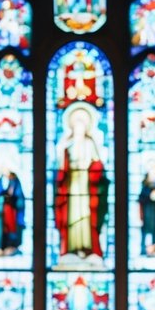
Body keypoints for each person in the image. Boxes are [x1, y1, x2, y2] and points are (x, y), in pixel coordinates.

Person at [53, 105, 108, 260]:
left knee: (86, 216)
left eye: (81, 125)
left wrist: (92, 171)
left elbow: (98, 165)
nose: (79, 129)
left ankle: (87, 247)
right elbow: (61, 168)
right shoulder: (66, 144)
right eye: (76, 126)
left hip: (86, 185)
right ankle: (72, 248)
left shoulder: (90, 143)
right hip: (72, 185)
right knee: (71, 217)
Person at [0, 167, 25, 255]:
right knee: (2, 229)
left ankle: (11, 247)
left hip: (12, 214)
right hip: (3, 213)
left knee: (11, 230)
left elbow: (18, 198)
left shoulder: (15, 183)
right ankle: (0, 247)